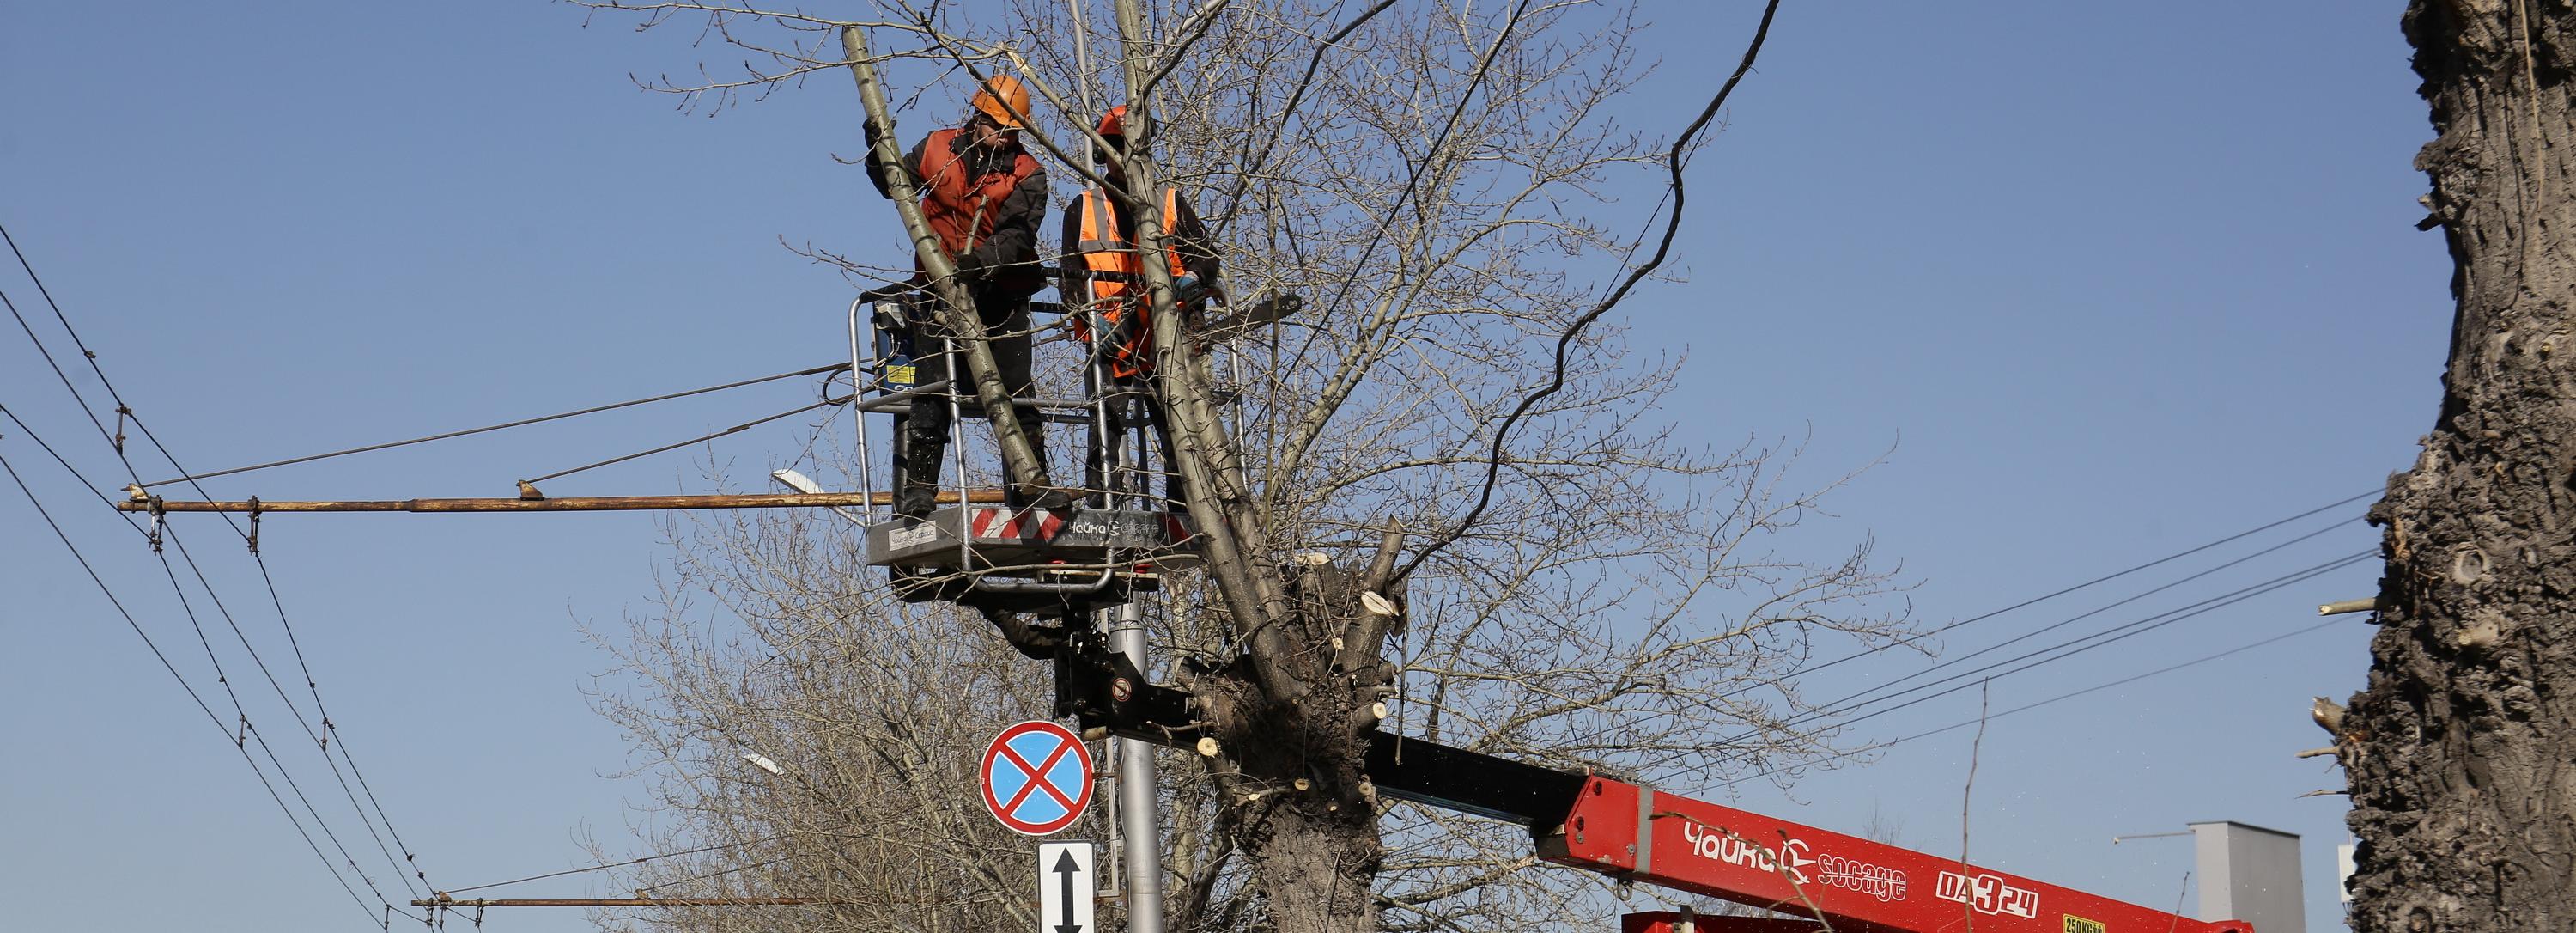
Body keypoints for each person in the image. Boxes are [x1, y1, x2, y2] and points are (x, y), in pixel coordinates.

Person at [866, 74, 1065, 518]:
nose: (1006, 138)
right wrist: (876, 151)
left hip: (1001, 293)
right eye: (999, 127)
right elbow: (894, 184)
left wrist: (979, 261)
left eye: (1013, 130)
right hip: (938, 294)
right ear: (977, 119)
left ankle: (1033, 482)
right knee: (932, 388)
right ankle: (919, 490)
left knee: (1015, 388)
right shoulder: (936, 147)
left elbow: (1018, 234)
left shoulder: (1028, 173)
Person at [1060, 106, 1221, 510]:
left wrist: (1193, 279)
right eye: (1117, 151)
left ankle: (1184, 508)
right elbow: (1070, 279)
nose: (1124, 161)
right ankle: (1102, 503)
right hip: (1111, 335)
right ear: (1105, 153)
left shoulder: (1169, 203)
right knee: (1106, 425)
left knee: (1176, 428)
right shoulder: (1083, 208)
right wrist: (1091, 319)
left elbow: (1206, 257)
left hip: (1167, 333)